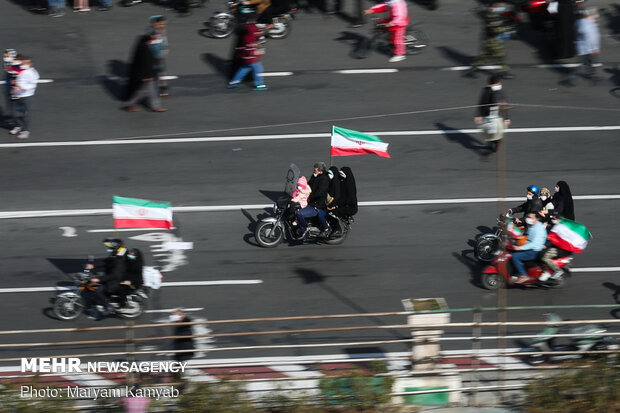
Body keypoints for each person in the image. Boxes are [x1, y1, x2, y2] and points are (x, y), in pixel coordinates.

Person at [466, 1, 514, 79]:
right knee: (500, 56)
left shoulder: (492, 12)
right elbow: (495, 30)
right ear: (495, 5)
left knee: (485, 56)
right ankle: (503, 72)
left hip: (490, 39)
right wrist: (509, 28)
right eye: (501, 4)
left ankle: (472, 69)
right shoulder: (492, 15)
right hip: (493, 40)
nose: (503, 5)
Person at [122, 34, 167, 112]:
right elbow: (146, 64)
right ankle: (155, 107)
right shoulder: (145, 49)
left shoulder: (141, 48)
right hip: (147, 75)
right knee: (149, 92)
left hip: (145, 75)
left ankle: (129, 104)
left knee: (143, 92)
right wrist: (147, 76)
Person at [88, 238, 127, 316]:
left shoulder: (119, 260)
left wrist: (99, 279)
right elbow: (106, 262)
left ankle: (108, 307)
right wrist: (93, 265)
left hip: (116, 280)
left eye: (110, 247)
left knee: (99, 291)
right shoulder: (115, 254)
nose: (108, 249)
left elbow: (113, 275)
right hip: (112, 276)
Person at [227, 15, 268, 91]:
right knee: (258, 70)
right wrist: (259, 51)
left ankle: (234, 82)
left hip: (246, 58)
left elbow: (257, 34)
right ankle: (259, 85)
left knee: (244, 69)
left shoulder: (248, 33)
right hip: (252, 59)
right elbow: (251, 50)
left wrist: (261, 34)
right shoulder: (250, 39)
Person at [562, 7, 600, 85]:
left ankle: (592, 75)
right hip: (586, 48)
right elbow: (591, 37)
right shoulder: (586, 26)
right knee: (583, 64)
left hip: (584, 48)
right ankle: (569, 79)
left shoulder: (579, 22)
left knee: (589, 62)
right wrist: (595, 48)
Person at [474, 74, 511, 153]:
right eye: (496, 83)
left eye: (498, 83)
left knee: (496, 131)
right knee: (489, 131)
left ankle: (497, 141)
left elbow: (505, 106)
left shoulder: (501, 92)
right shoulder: (485, 91)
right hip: (488, 115)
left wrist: (507, 118)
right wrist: (478, 115)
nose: (498, 85)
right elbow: (481, 103)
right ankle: (492, 142)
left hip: (497, 117)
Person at [296, 162, 330, 237]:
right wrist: (300, 187)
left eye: (315, 169)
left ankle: (304, 231)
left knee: (299, 213)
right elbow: (308, 185)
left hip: (317, 204)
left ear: (320, 171)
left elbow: (319, 193)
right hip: (311, 201)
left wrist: (310, 197)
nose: (314, 171)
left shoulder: (324, 179)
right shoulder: (315, 176)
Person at [511, 212, 547, 284]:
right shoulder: (532, 225)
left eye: (531, 217)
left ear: (536, 218)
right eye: (528, 217)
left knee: (515, 257)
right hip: (530, 247)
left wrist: (520, 248)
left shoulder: (538, 229)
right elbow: (527, 236)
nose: (528, 219)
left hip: (534, 251)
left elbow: (533, 244)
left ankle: (523, 275)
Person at [9, 55, 39, 139]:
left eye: (24, 63)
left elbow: (32, 85)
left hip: (26, 96)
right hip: (16, 95)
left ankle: (25, 131)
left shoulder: (33, 73)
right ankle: (18, 125)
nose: (22, 64)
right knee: (13, 113)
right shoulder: (20, 69)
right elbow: (14, 74)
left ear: (29, 64)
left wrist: (21, 87)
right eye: (22, 63)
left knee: (26, 114)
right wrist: (14, 82)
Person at [148, 16, 169, 97]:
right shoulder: (151, 31)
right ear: (156, 23)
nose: (163, 25)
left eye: (164, 24)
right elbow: (150, 43)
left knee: (161, 72)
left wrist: (166, 48)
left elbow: (164, 40)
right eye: (161, 24)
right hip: (153, 55)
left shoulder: (162, 30)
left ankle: (162, 88)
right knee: (154, 72)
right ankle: (154, 89)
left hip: (160, 55)